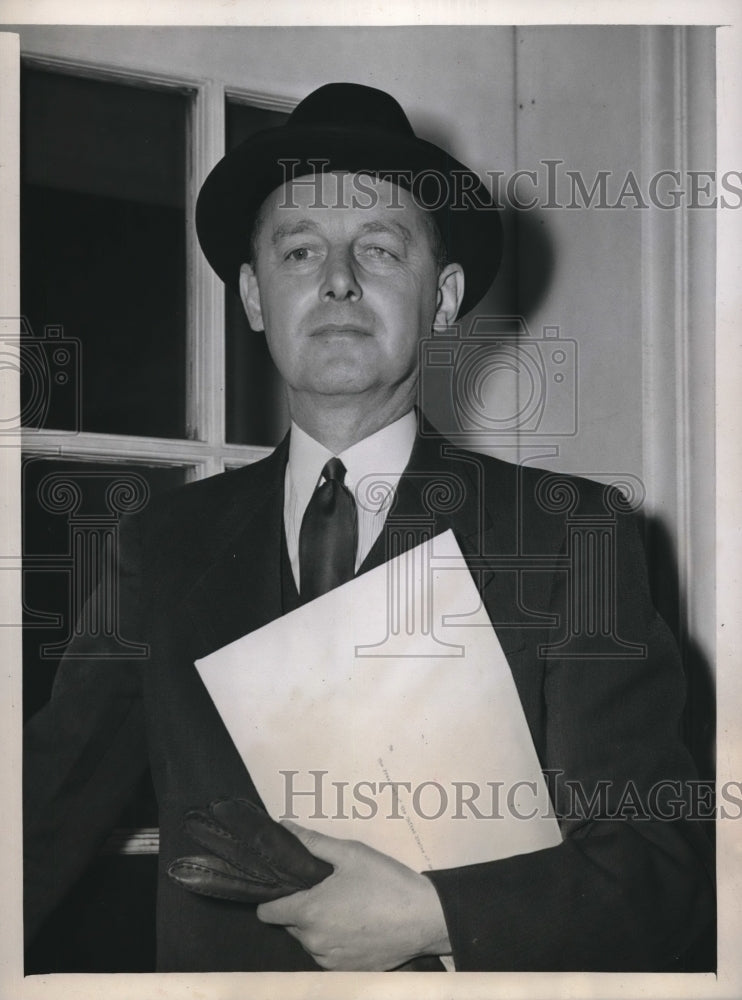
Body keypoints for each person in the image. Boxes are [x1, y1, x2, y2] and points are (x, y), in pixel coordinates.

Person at [23, 82, 714, 973]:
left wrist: (440, 916)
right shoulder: (156, 547)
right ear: (254, 297)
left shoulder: (571, 535)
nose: (338, 278)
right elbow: (38, 818)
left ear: (445, 297)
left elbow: (665, 868)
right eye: (300, 249)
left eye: (380, 250)